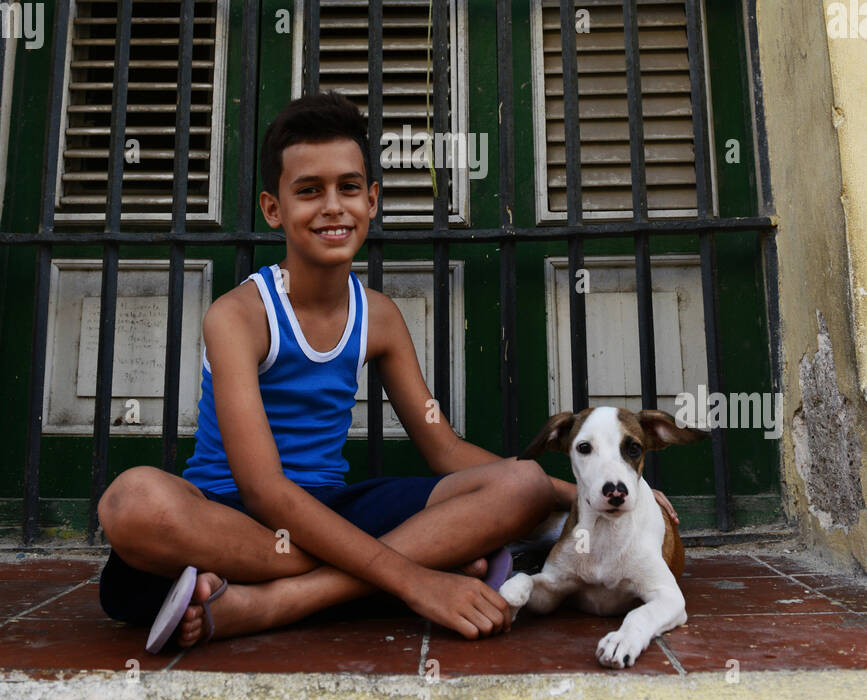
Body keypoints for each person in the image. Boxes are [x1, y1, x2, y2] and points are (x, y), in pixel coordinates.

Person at [98, 90, 676, 649]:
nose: (332, 206)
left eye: (348, 187)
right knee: (133, 504)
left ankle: (277, 600)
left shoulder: (377, 317)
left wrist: (582, 491)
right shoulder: (238, 317)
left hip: (329, 507)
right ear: (273, 208)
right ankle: (383, 576)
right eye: (308, 190)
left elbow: (444, 450)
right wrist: (415, 576)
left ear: (371, 200)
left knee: (519, 483)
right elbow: (265, 489)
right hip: (236, 518)